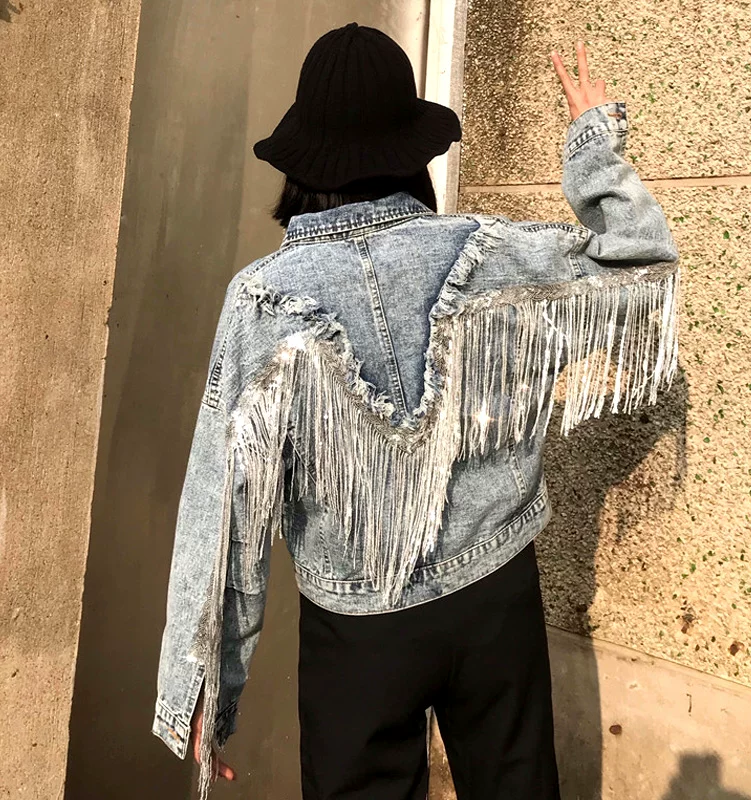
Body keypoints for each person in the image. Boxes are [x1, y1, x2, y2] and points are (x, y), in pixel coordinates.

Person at [152, 22, 680, 800]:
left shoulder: (263, 299)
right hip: (495, 598)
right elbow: (642, 268)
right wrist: (594, 146)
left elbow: (222, 499)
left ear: (305, 165)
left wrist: (200, 681)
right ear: (413, 152)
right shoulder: (493, 252)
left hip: (358, 627)